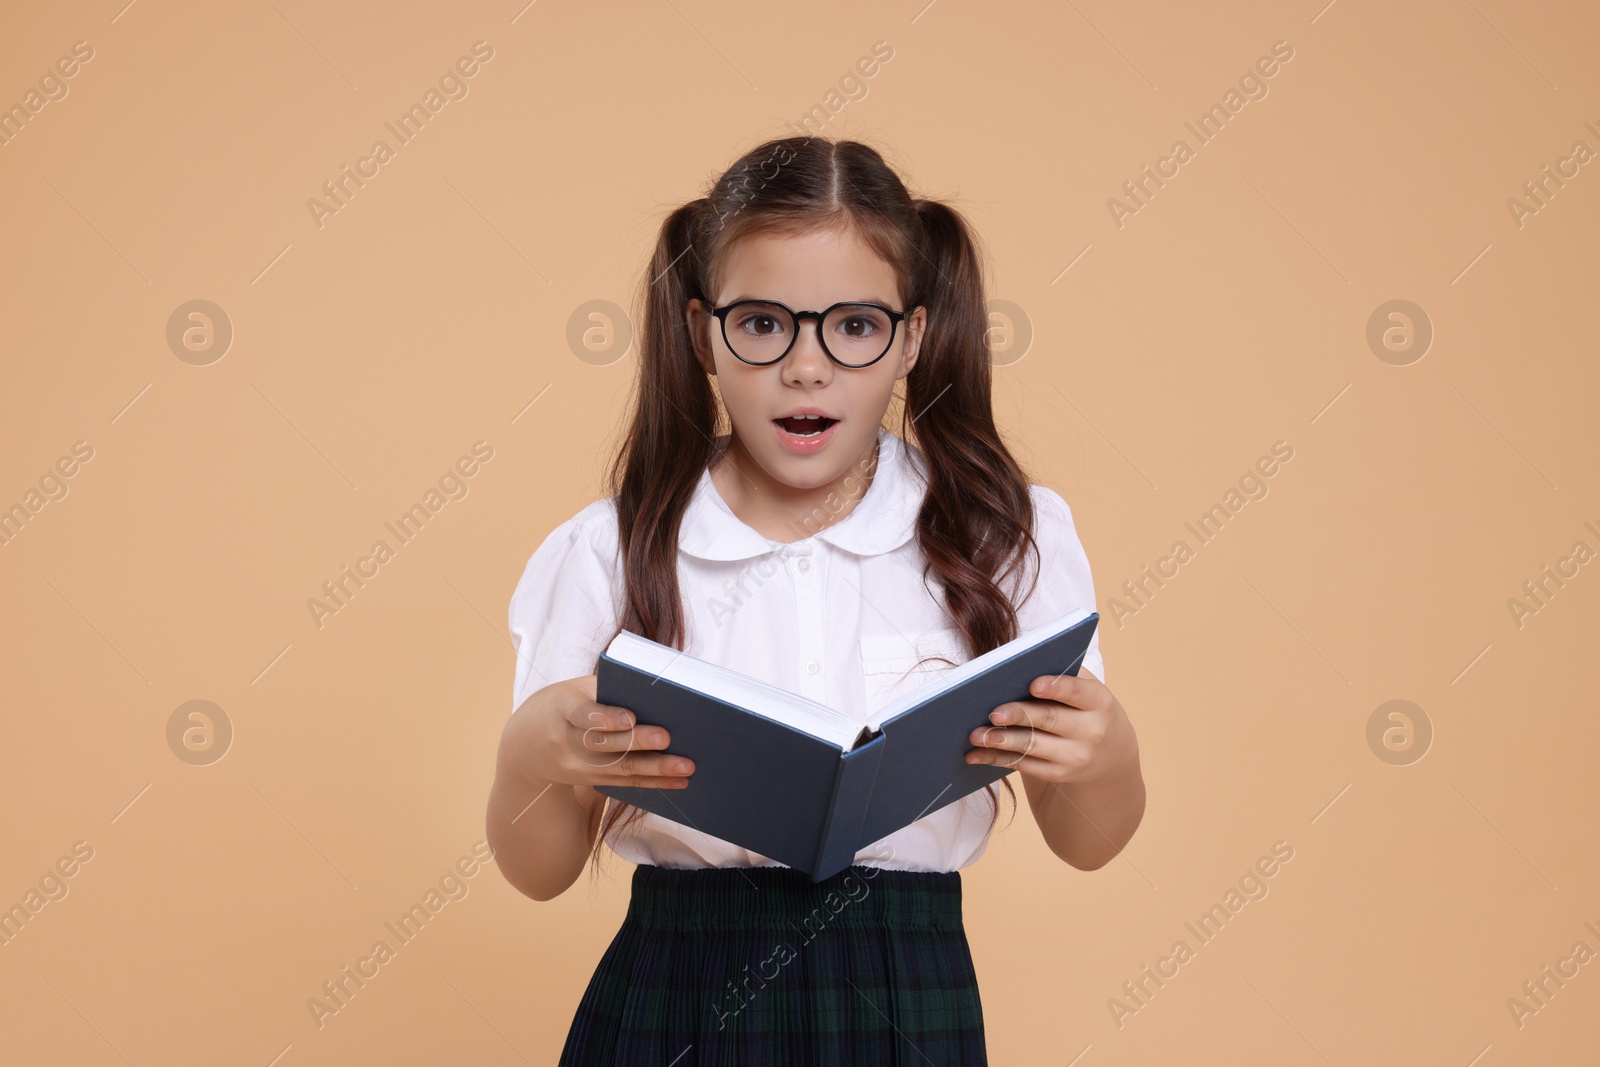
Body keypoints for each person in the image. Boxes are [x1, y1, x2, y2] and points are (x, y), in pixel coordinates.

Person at [486, 135, 1146, 1065]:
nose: (806, 366)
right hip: (674, 993)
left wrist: (1107, 753)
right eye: (762, 323)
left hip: (907, 994)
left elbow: (1088, 842)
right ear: (700, 333)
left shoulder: (1002, 534)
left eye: (854, 325)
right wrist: (529, 755)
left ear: (912, 337)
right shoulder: (611, 546)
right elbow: (540, 870)